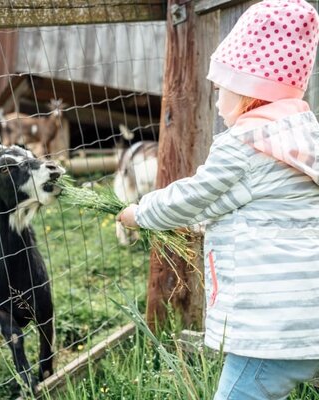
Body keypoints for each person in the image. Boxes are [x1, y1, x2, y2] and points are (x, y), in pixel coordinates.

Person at [117, 0, 319, 399]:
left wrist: (140, 213)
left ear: (248, 94)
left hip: (271, 326)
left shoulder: (243, 145)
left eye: (220, 89)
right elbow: (239, 199)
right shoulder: (302, 138)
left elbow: (193, 195)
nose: (216, 101)